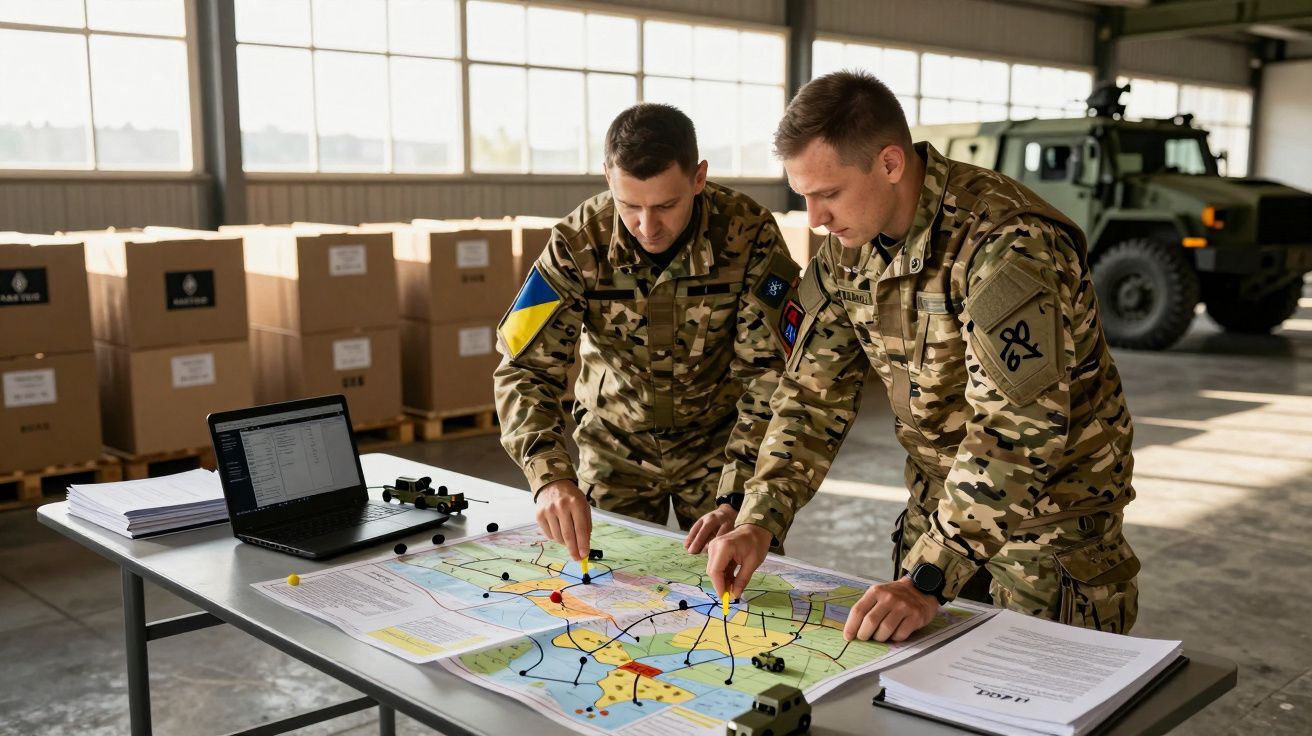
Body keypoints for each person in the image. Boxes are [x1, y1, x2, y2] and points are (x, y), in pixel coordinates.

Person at [706, 71, 1140, 642]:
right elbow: (811, 395)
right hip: (937, 518)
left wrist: (931, 576)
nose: (814, 218)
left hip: (1046, 532)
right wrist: (760, 517)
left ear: (889, 163)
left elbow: (1017, 428)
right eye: (804, 196)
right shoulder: (846, 253)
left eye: (828, 194)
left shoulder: (1006, 244)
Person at [494, 103, 801, 563]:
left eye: (666, 205)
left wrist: (739, 497)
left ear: (699, 178)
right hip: (615, 450)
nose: (647, 226)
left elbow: (771, 373)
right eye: (629, 205)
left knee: (742, 600)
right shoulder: (576, 243)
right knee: (606, 598)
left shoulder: (749, 232)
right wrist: (550, 477)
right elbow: (524, 368)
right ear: (606, 177)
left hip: (722, 449)